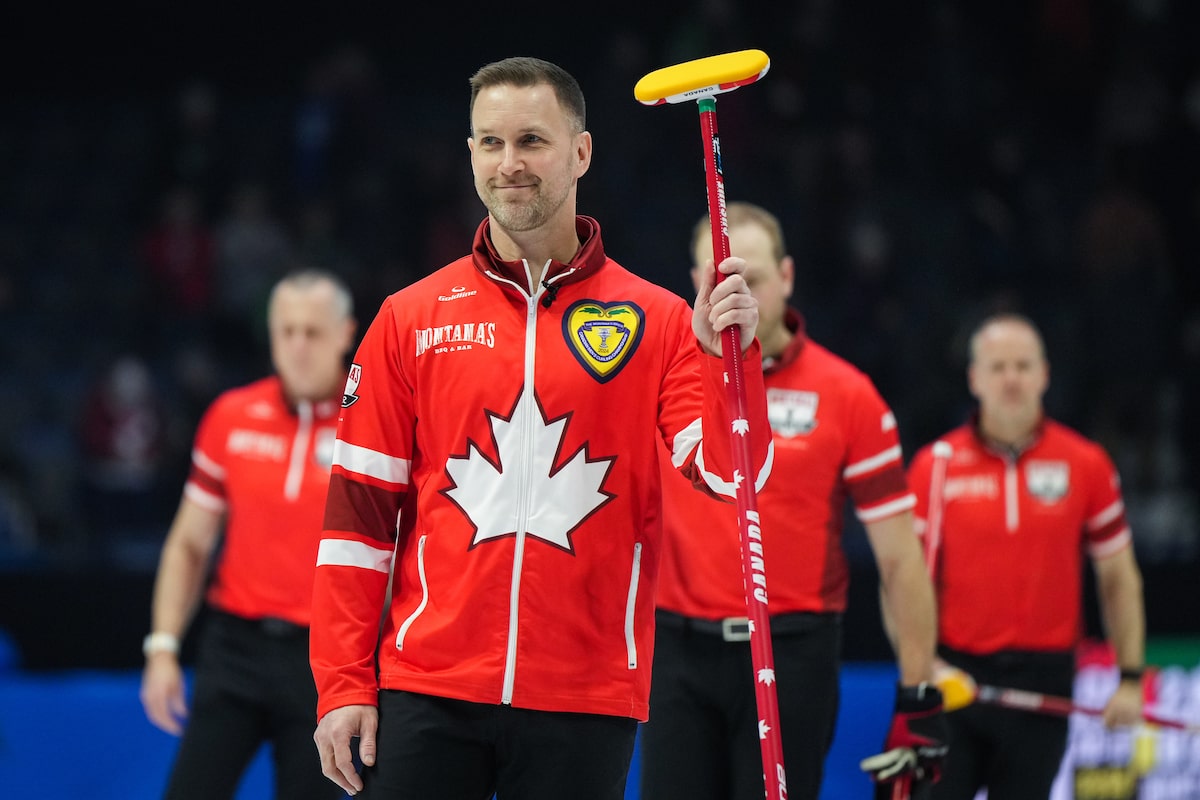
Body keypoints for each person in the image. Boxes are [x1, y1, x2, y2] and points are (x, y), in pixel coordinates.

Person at [308, 56, 772, 800]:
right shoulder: (408, 319)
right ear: (470, 154)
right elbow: (358, 521)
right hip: (428, 687)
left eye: (532, 140)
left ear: (581, 152)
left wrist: (729, 363)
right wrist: (341, 683)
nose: (510, 164)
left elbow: (731, 475)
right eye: (491, 143)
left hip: (585, 698)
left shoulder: (659, 322)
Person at [639, 202, 946, 800]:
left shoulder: (849, 395)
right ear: (694, 282)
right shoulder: (667, 379)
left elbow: (899, 559)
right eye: (718, 279)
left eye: (750, 278)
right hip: (677, 649)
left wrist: (918, 693)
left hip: (792, 652)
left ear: (787, 276)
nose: (734, 295)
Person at [908, 312, 1146, 800]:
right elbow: (905, 583)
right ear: (974, 378)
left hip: (1045, 682)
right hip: (955, 678)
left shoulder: (1086, 464)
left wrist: (1130, 678)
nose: (1011, 379)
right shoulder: (935, 466)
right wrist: (925, 664)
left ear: (1045, 374)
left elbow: (1119, 579)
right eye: (998, 367)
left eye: (1022, 366)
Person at [139, 269, 357, 800]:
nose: (298, 346)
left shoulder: (373, 423)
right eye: (287, 331)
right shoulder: (232, 416)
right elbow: (190, 542)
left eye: (312, 332)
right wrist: (162, 647)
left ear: (345, 333)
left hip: (324, 661)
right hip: (233, 648)